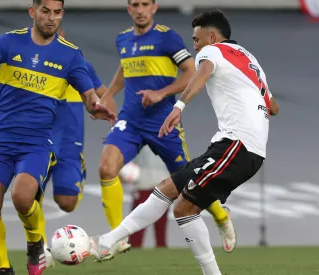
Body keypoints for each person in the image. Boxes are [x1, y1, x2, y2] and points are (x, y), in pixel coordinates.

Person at [90, 10, 279, 275]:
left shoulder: (212, 52)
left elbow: (202, 73)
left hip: (237, 146)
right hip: (234, 146)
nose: (195, 45)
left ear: (212, 36)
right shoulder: (249, 60)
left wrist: (179, 105)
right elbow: (273, 107)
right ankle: (108, 241)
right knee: (171, 192)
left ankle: (108, 242)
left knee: (183, 207)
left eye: (197, 39)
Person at [0, 1, 116, 275]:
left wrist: (96, 106)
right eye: (45, 11)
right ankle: (3, 268)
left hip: (35, 142)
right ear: (33, 12)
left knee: (23, 198)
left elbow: (88, 95)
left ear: (62, 15)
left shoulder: (70, 55)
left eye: (57, 13)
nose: (51, 18)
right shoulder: (8, 42)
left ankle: (35, 242)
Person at [97, 0, 235, 256]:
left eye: (145, 4)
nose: (140, 9)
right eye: (135, 5)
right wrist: (110, 93)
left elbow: (191, 71)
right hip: (131, 120)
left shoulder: (166, 38)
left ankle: (220, 215)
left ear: (154, 8)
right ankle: (117, 237)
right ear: (129, 9)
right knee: (106, 168)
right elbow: (125, 68)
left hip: (163, 123)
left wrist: (162, 93)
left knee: (189, 182)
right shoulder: (123, 40)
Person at [119, 146, 170, 248]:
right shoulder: (170, 132)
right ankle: (158, 249)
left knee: (141, 221)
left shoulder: (136, 133)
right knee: (149, 222)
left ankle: (137, 248)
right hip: (156, 182)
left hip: (147, 182)